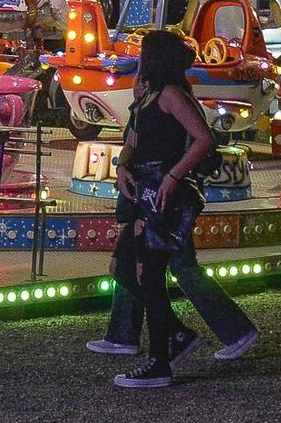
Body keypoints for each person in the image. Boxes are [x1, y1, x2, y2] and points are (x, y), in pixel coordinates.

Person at [99, 29, 258, 389]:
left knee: (152, 273)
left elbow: (203, 139)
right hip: (145, 190)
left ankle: (161, 355)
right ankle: (170, 337)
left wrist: (172, 177)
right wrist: (123, 167)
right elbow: (134, 140)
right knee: (127, 267)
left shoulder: (172, 95)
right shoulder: (148, 95)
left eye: (144, 54)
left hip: (163, 194)